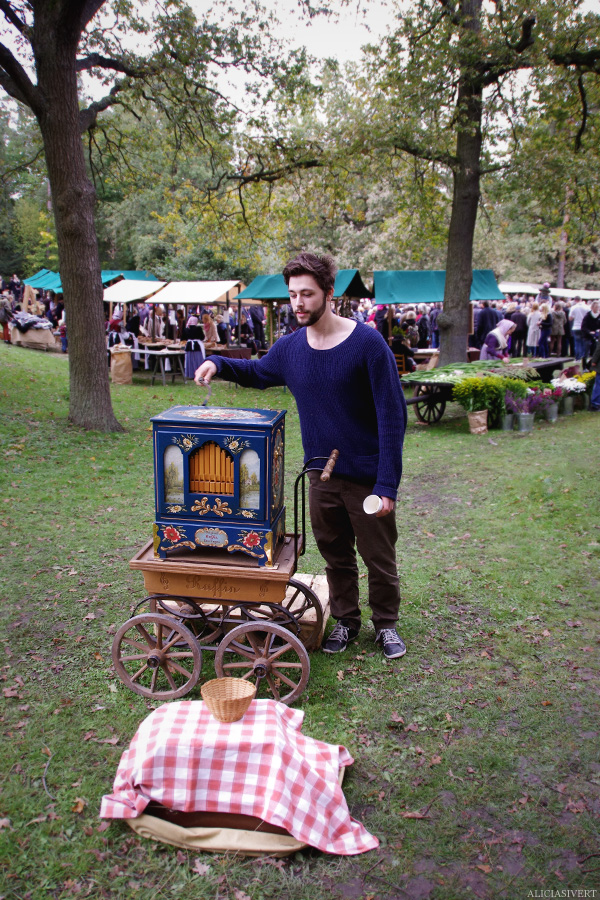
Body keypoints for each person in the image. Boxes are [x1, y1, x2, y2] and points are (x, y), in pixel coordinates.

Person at [194, 252, 408, 660]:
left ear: (329, 293)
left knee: (379, 556)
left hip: (366, 476)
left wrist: (386, 485)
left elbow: (392, 418)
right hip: (320, 477)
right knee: (334, 553)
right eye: (292, 294)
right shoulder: (291, 349)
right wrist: (217, 362)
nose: (298, 303)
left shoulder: (368, 344)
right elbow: (258, 372)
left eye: (307, 294)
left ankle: (386, 625)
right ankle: (346, 620)